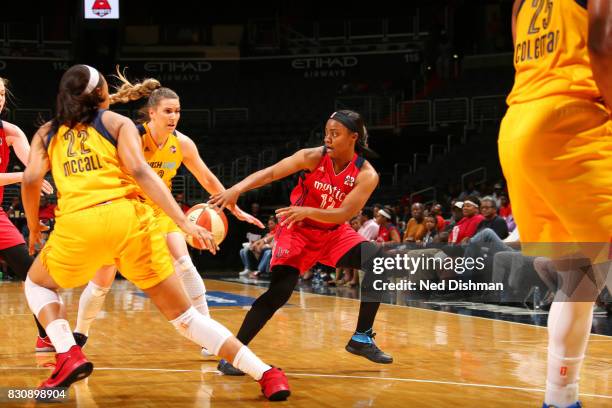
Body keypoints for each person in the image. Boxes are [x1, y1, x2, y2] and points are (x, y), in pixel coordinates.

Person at [21, 65, 289, 400]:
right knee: (185, 318)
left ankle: (69, 351)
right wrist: (183, 221)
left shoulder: (48, 131)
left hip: (79, 224)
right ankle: (265, 373)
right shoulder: (117, 123)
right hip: (130, 221)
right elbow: (140, 172)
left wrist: (33, 228)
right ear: (103, 94)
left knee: (37, 284)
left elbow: (31, 181)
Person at [71, 72, 263, 355]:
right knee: (102, 282)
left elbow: (207, 179)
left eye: (178, 111)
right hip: (123, 210)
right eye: (168, 111)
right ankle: (80, 333)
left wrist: (234, 208)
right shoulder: (133, 136)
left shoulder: (183, 144)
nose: (174, 117)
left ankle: (209, 337)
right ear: (152, 113)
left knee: (185, 264)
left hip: (160, 212)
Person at [209, 109, 393, 375]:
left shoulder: (366, 174)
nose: (328, 139)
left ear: (353, 137)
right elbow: (271, 172)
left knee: (378, 262)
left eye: (335, 134)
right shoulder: (312, 156)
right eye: (326, 133)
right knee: (278, 293)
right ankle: (233, 356)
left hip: (332, 232)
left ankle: (362, 338)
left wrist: (308, 210)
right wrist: (237, 188)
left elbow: (343, 214)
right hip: (297, 229)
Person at [499, 2, 612, 407]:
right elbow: (601, 44)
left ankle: (560, 399)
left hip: (518, 125)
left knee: (580, 279)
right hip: (572, 123)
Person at [0, 75, 55, 351]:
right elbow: (25, 174)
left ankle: (46, 335)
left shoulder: (10, 132)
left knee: (33, 273)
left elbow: (32, 166)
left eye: (0, 95)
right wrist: (24, 176)